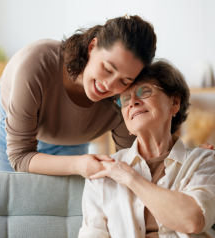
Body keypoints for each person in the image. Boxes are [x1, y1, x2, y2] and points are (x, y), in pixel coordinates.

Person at [0, 15, 157, 176]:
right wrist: (77, 164)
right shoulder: (37, 64)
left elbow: (130, 162)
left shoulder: (123, 98)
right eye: (108, 69)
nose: (110, 85)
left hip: (70, 143)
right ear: (92, 47)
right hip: (5, 133)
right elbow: (20, 156)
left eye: (124, 81)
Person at [78, 60, 215, 237]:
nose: (133, 101)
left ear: (174, 103)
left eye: (144, 91)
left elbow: (193, 220)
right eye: (125, 99)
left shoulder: (203, 161)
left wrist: (131, 178)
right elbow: (92, 233)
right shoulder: (104, 172)